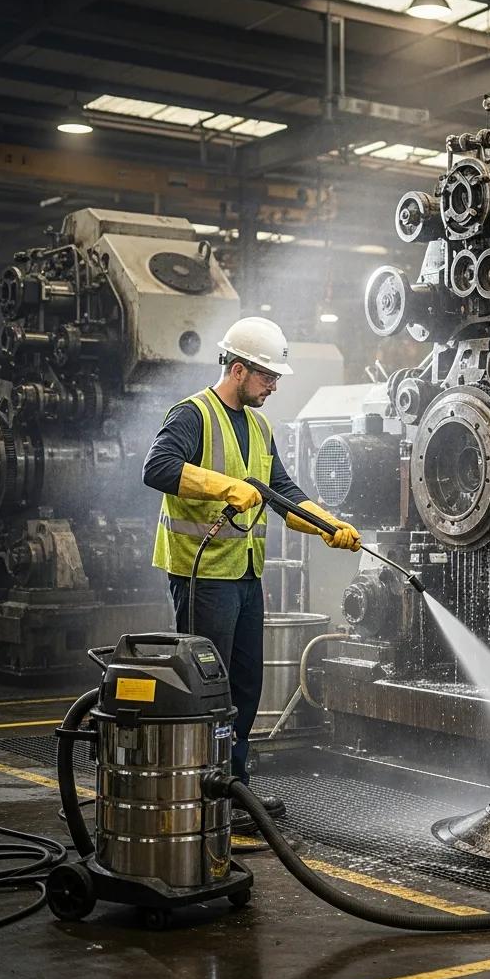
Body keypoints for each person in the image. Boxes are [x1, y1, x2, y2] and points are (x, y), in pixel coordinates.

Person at [143, 316, 361, 824]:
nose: (275, 385)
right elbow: (157, 468)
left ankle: (233, 786)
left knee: (244, 685)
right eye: (267, 375)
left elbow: (282, 493)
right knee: (206, 688)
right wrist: (223, 487)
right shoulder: (192, 414)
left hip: (243, 575)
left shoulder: (260, 426)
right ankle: (199, 791)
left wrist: (327, 524)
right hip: (202, 575)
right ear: (238, 369)